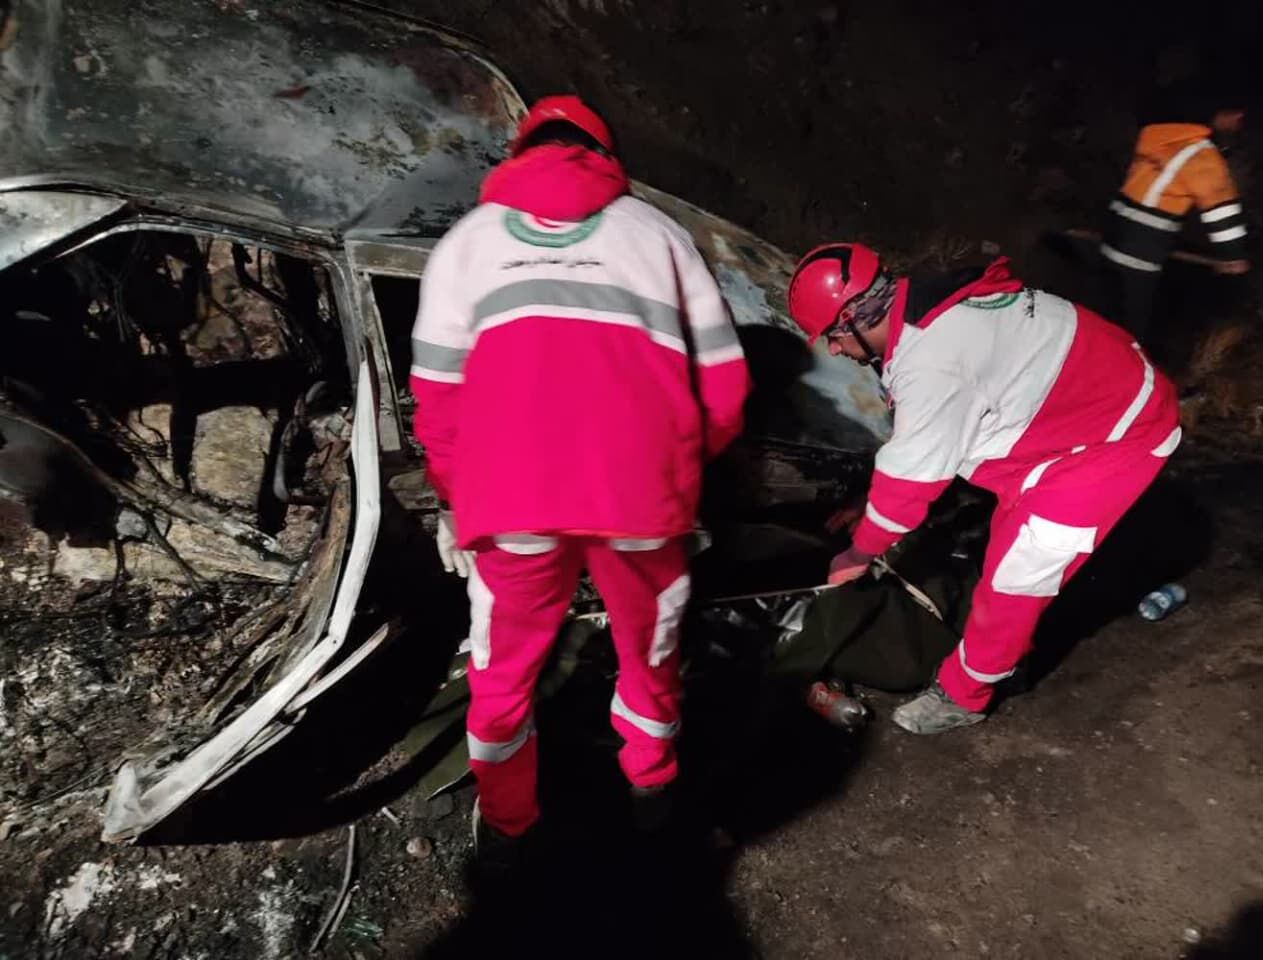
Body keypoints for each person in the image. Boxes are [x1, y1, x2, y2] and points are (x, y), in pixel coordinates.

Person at [409, 95, 750, 862]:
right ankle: (651, 789)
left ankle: (509, 825)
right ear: (606, 155)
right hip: (640, 501)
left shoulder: (465, 243)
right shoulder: (662, 236)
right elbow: (726, 387)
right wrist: (676, 468)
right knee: (650, 651)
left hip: (511, 502)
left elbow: (436, 397)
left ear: (520, 150)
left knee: (501, 670)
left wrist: (455, 493)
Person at [787, 244, 1180, 734]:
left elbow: (911, 483)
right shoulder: (924, 302)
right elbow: (929, 443)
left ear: (855, 317)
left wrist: (858, 553)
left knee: (1016, 578)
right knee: (1005, 542)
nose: (833, 350)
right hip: (1084, 400)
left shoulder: (931, 361)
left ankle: (966, 693)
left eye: (833, 336)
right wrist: (869, 505)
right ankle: (1013, 645)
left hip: (1117, 435)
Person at [1101, 85, 1249, 341]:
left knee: (1103, 320)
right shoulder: (1201, 155)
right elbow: (1223, 217)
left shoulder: (1158, 138)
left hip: (1111, 240)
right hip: (1140, 255)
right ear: (1222, 114)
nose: (1240, 121)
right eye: (1238, 115)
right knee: (1131, 335)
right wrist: (1234, 259)